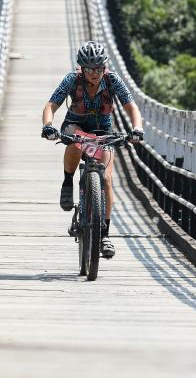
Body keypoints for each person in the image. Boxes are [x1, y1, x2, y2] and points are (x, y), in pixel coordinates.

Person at [41, 41, 144, 258]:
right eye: (89, 69)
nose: (94, 73)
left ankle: (105, 234)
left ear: (104, 67)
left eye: (98, 68)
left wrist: (137, 128)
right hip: (75, 125)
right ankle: (68, 182)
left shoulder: (113, 80)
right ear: (81, 68)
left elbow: (131, 107)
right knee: (75, 139)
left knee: (106, 180)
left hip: (102, 130)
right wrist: (48, 126)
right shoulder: (72, 80)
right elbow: (51, 105)